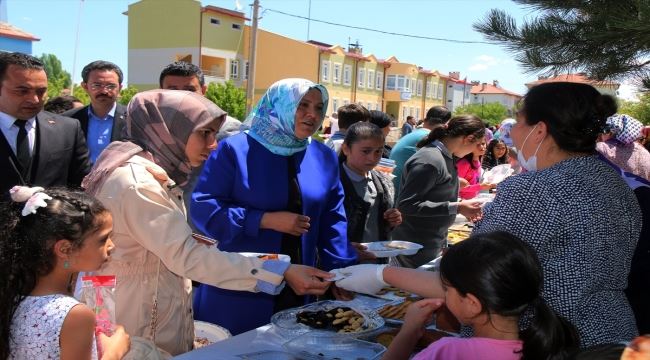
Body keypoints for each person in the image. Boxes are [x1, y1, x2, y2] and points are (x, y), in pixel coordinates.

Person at [81, 90, 333, 355]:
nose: (213, 144)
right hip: (136, 318)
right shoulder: (137, 185)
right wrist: (280, 270)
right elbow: (187, 256)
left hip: (142, 308)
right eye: (204, 133)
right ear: (171, 130)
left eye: (214, 134)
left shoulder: (146, 173)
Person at [470, 82, 641, 347]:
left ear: (539, 130)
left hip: (553, 340)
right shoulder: (614, 181)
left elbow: (479, 272)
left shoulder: (533, 189)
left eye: (518, 120)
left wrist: (384, 275)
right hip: (613, 333)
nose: (512, 132)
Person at [190, 78, 357, 335]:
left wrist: (341, 273)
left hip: (301, 288)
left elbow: (333, 218)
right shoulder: (233, 150)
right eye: (303, 105)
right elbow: (204, 210)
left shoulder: (322, 156)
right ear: (281, 105)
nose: (312, 114)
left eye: (319, 107)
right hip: (241, 289)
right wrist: (262, 219)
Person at [375, 232, 580, 360]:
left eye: (447, 289)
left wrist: (409, 331)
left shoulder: (448, 351)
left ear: (472, 304)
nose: (444, 295)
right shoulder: (543, 347)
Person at [1, 186, 130, 359]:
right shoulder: (76, 315)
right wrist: (115, 351)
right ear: (65, 249)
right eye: (102, 240)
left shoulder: (13, 297)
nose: (111, 245)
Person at [158, 60, 241, 231]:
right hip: (162, 227)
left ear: (203, 91)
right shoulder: (152, 128)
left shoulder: (227, 130)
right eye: (172, 90)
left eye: (189, 90)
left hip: (205, 230)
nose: (181, 97)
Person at [393, 115, 484, 268]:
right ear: (468, 139)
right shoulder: (430, 160)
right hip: (416, 244)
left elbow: (435, 193)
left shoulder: (445, 157)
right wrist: (458, 207)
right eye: (476, 145)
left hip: (430, 240)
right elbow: (407, 204)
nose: (473, 151)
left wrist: (459, 201)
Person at [0, 52, 91, 197]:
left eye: (41, 91)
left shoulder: (68, 129)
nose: (35, 99)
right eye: (22, 91)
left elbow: (81, 187)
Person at [339, 122, 402, 261]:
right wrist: (343, 248)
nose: (373, 158)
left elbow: (378, 222)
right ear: (346, 149)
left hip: (377, 263)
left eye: (378, 151)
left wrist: (392, 220)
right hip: (342, 265)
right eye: (365, 151)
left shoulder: (384, 182)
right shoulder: (331, 182)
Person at [63, 61, 127, 164]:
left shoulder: (133, 119)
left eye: (111, 86)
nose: (104, 91)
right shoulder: (68, 119)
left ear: (120, 88)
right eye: (97, 85)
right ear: (85, 86)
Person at [390, 106, 451, 199]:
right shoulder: (428, 137)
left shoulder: (416, 133)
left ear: (425, 120)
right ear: (447, 124)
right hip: (404, 197)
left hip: (395, 190)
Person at [596, 114, 650, 181]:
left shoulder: (601, 148)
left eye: (603, 132)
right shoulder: (643, 150)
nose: (601, 135)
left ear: (609, 132)